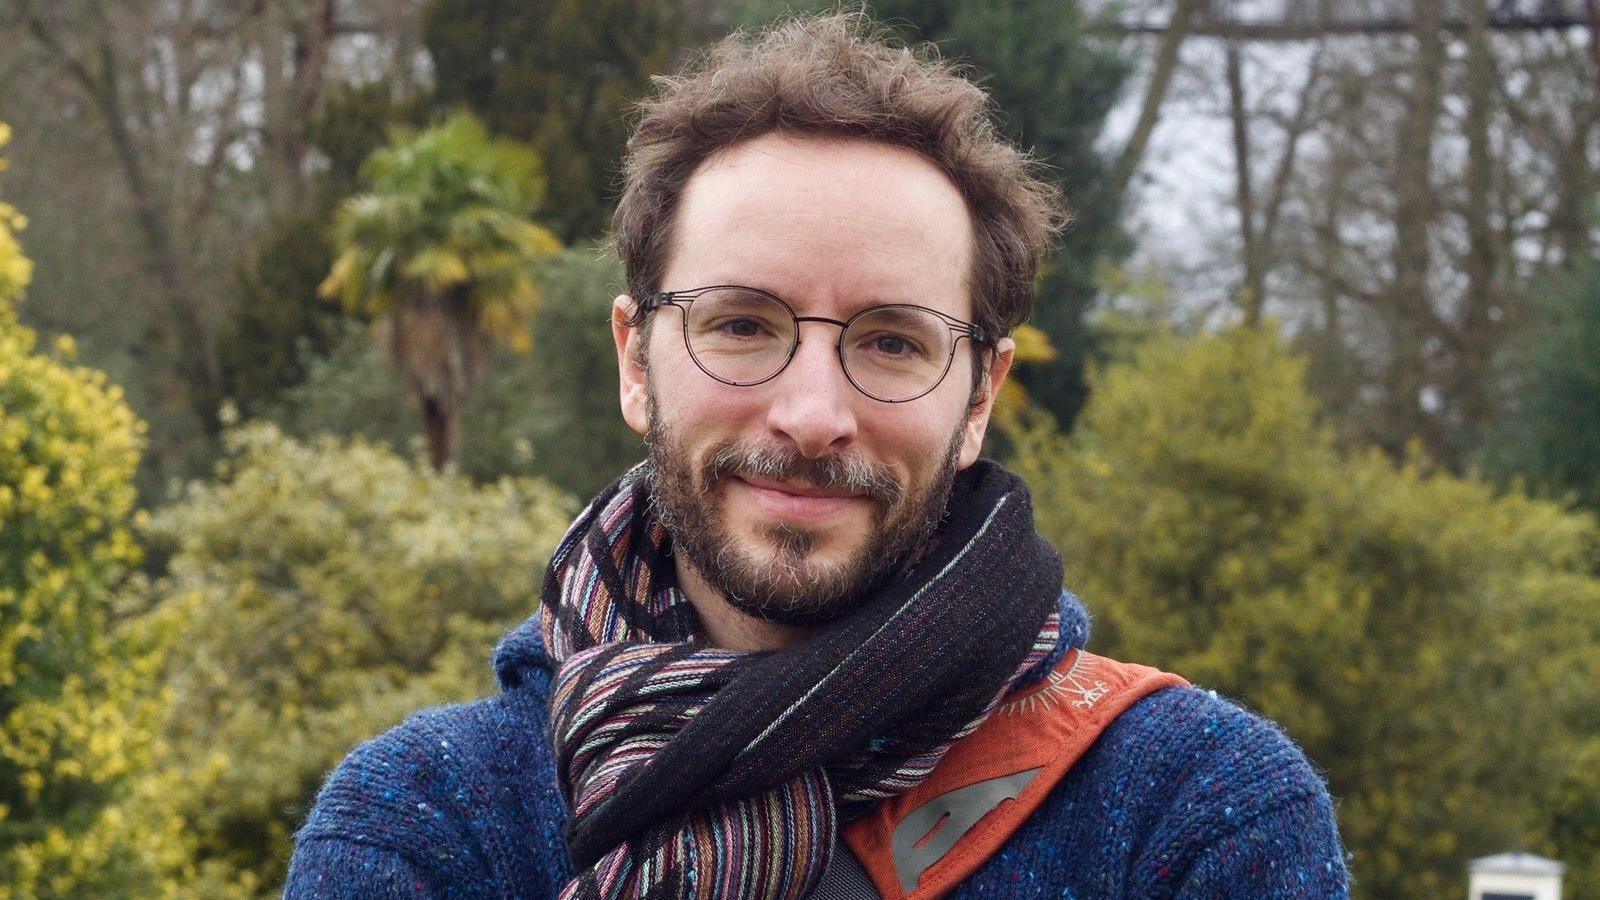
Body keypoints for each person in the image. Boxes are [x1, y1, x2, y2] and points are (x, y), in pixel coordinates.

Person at [286, 13, 1350, 899]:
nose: (809, 415)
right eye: (741, 324)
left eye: (892, 342)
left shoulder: (1195, 808)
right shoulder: (427, 819)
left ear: (979, 393)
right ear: (635, 358)